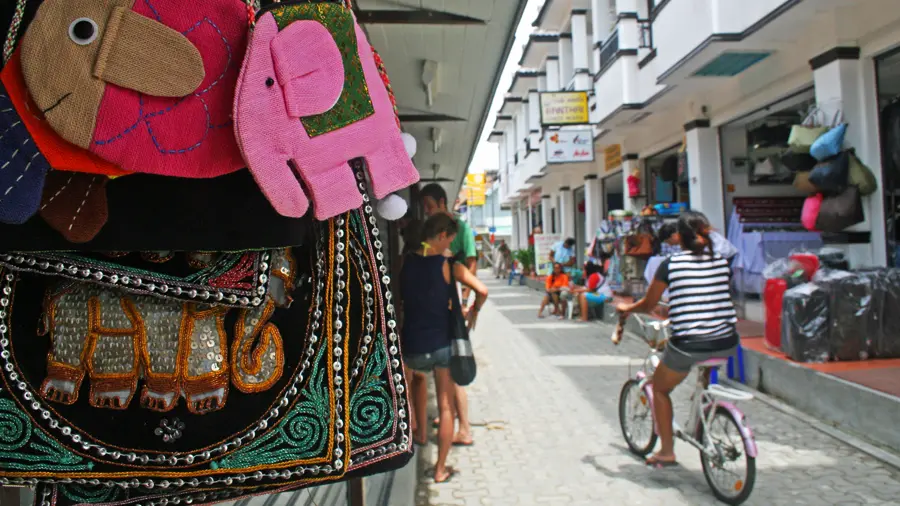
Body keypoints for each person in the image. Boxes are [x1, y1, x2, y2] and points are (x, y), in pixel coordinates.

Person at [616, 211, 739, 468]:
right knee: (703, 366)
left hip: (690, 343)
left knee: (660, 389)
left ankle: (667, 451)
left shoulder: (670, 265)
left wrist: (627, 309)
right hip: (727, 340)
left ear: (678, 238)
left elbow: (649, 303)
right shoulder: (720, 260)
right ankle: (700, 416)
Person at [400, 213, 488, 483]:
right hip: (441, 346)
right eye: (450, 238)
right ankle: (439, 470)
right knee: (446, 407)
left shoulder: (406, 263)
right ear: (441, 236)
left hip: (412, 346)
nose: (451, 243)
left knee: (410, 388)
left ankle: (415, 431)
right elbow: (482, 290)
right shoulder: (450, 266)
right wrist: (473, 311)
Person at [419, 183, 476, 447]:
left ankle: (463, 427)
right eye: (424, 208)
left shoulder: (459, 229)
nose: (427, 211)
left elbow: (471, 264)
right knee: (445, 371)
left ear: (442, 202)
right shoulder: (429, 234)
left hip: (452, 308)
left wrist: (466, 302)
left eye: (430, 206)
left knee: (453, 370)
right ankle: (450, 418)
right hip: (439, 311)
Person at [658, 222, 738, 267]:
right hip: (719, 256)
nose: (670, 245)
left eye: (668, 242)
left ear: (673, 236)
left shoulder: (690, 235)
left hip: (724, 255)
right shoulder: (687, 233)